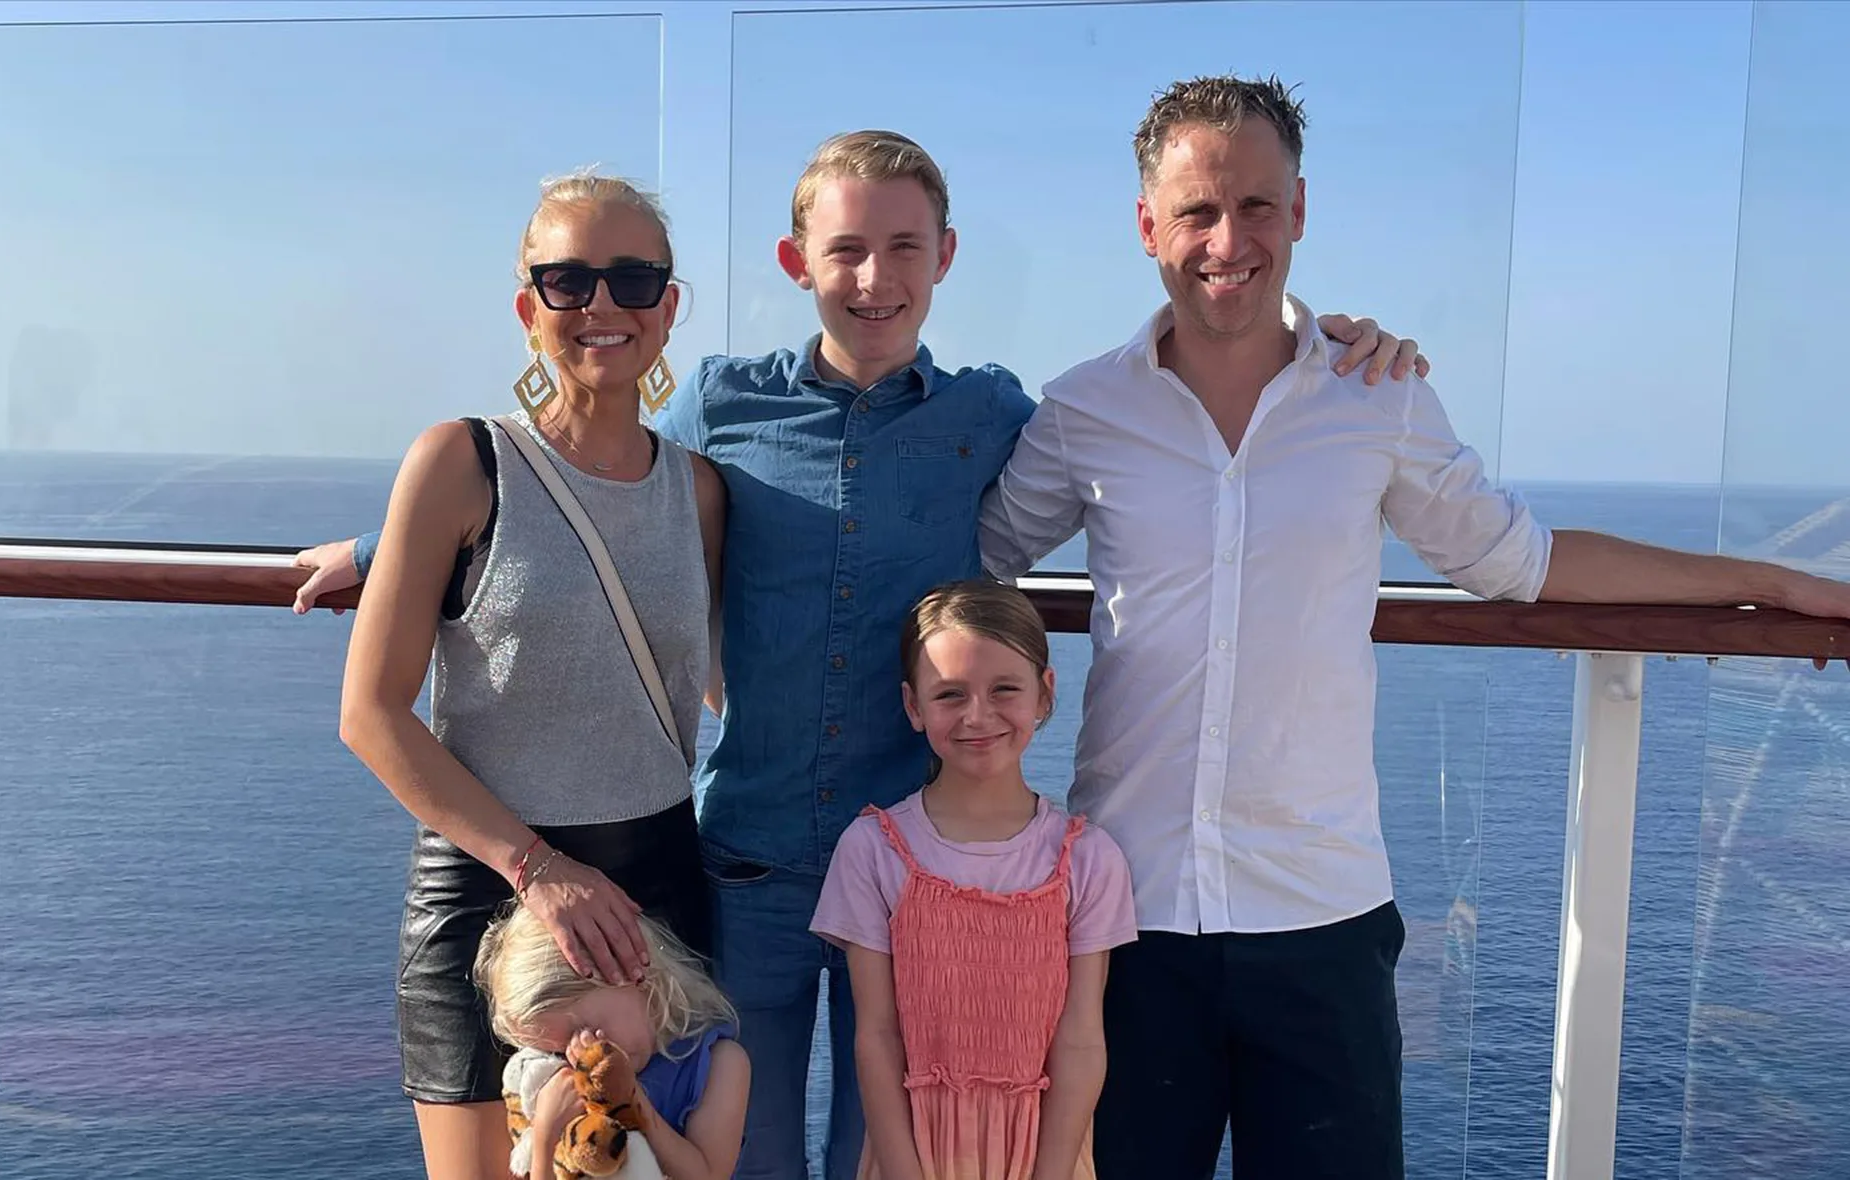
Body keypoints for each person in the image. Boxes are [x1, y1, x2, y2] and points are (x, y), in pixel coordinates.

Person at [297, 129, 1422, 1180]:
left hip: (914, 868)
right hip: (752, 860)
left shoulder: (994, 416)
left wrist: (1335, 346)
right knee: (750, 1151)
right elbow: (586, 471)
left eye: (901, 247)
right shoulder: (724, 405)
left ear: (945, 258)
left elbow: (1149, 452)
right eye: (846, 249)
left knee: (891, 1153)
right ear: (798, 260)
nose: (874, 276)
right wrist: (387, 544)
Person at [978, 74, 1850, 1180]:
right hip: (1126, 916)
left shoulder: (1374, 394)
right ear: (1149, 224)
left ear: (1300, 211)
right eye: (1197, 210)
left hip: (1325, 916)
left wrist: (1765, 585)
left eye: (1256, 206)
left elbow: (1520, 560)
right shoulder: (1084, 410)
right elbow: (971, 553)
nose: (1226, 239)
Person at [338, 170, 724, 1180]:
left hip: (653, 901)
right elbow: (371, 714)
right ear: (528, 310)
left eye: (633, 279)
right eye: (567, 281)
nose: (601, 305)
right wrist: (537, 868)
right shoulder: (461, 461)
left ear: (669, 308)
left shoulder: (702, 493)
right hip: (487, 893)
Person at [810, 580, 1136, 1180]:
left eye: (1004, 689)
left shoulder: (1090, 859)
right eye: (950, 695)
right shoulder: (873, 851)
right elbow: (876, 1038)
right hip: (911, 1156)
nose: (977, 716)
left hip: (1048, 1160)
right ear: (914, 707)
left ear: (1045, 694)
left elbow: (1083, 1040)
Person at [475, 906, 750, 1180]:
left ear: (622, 970)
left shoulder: (719, 1064)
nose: (579, 1053)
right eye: (556, 1051)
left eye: (584, 1028)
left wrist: (631, 1102)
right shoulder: (560, 1087)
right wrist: (545, 1137)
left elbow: (709, 1175)